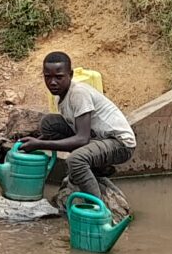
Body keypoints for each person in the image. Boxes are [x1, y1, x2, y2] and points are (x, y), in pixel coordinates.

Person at [18, 52, 136, 203]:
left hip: (120, 143)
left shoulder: (78, 93)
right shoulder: (61, 95)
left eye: (59, 77)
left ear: (71, 75)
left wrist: (40, 144)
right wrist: (36, 141)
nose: (52, 82)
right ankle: (97, 168)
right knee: (49, 123)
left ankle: (97, 208)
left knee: (75, 160)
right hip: (97, 139)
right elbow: (76, 133)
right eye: (48, 77)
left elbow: (82, 138)